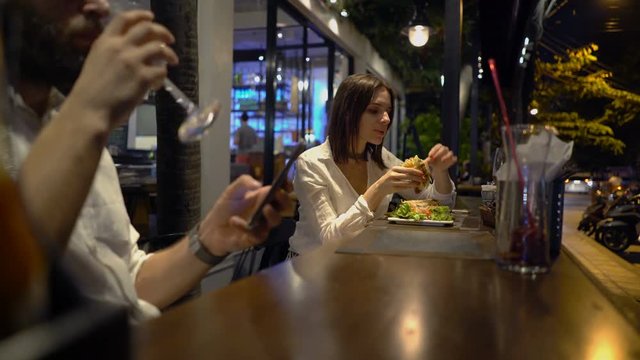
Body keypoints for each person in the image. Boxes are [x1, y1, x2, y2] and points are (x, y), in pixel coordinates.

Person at [4, 0, 289, 322]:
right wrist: (90, 113)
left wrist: (211, 236)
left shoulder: (71, 125)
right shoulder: (84, 124)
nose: (100, 5)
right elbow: (11, 293)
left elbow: (127, 281)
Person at [288, 74, 457, 256]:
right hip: (310, 268)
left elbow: (441, 206)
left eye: (388, 111)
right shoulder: (312, 163)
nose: (386, 119)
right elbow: (330, 239)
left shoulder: (381, 159)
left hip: (359, 264)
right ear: (347, 112)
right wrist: (379, 188)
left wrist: (440, 171)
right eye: (374, 110)